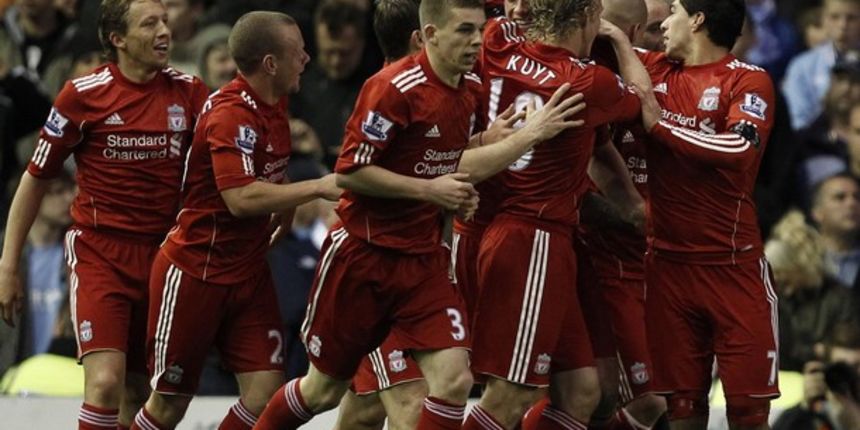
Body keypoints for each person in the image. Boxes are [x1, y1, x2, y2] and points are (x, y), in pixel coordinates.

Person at [253, 1, 585, 429]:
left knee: (452, 380)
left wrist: (486, 143)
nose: (475, 42)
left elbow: (444, 161)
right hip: (363, 257)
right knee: (323, 390)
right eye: (464, 31)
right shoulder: (392, 87)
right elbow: (351, 172)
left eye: (479, 31)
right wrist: (431, 190)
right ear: (428, 36)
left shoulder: (468, 89)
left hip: (423, 262)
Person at [127, 11, 341, 430]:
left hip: (247, 272)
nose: (308, 59)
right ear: (270, 64)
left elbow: (267, 169)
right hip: (195, 272)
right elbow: (240, 198)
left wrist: (285, 203)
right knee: (169, 405)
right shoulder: (229, 114)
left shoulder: (276, 102)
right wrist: (314, 187)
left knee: (264, 397)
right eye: (299, 52)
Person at [0, 0, 209, 428]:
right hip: (101, 254)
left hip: (164, 257)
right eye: (149, 24)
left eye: (166, 21)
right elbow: (35, 177)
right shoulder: (82, 95)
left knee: (141, 389)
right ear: (117, 39)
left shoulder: (191, 92)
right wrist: (7, 265)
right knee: (105, 384)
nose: (164, 32)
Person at [461, 0, 652, 428]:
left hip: (496, 224)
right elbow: (643, 103)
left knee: (582, 390)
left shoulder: (497, 40)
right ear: (589, 17)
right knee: (507, 396)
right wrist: (620, 41)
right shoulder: (586, 81)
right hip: (532, 238)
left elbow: (501, 17)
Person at [632, 0, 779, 428]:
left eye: (673, 10)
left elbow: (739, 149)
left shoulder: (749, 80)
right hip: (668, 268)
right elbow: (608, 37)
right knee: (681, 409)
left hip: (732, 268)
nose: (663, 24)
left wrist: (659, 126)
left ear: (697, 19)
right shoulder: (655, 69)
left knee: (749, 413)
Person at [783, 0, 860, 130]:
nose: (843, 25)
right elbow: (798, 120)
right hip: (816, 145)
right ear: (823, 19)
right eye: (834, 17)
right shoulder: (802, 66)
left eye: (851, 18)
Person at [809, 173, 860, 290]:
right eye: (840, 197)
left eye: (857, 197)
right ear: (817, 212)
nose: (851, 203)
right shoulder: (797, 264)